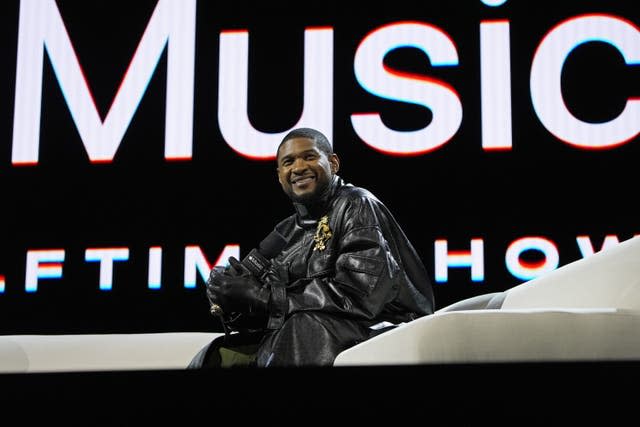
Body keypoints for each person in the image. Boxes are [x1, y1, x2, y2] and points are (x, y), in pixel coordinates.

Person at [189, 127, 434, 368]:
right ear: (279, 174)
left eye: (309, 157)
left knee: (302, 328)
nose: (298, 168)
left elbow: (360, 295)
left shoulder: (356, 205)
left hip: (385, 325)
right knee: (218, 354)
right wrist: (232, 294)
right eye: (288, 162)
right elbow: (265, 309)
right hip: (317, 329)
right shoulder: (285, 233)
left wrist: (265, 296)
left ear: (333, 163)